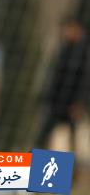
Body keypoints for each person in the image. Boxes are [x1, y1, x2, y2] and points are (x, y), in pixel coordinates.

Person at [36, 17, 90, 153]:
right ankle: (39, 162)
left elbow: (85, 79)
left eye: (69, 29)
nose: (65, 32)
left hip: (74, 104)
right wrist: (48, 97)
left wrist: (80, 102)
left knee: (75, 138)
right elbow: (57, 77)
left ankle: (74, 164)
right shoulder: (66, 49)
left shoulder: (84, 52)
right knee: (47, 134)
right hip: (59, 102)